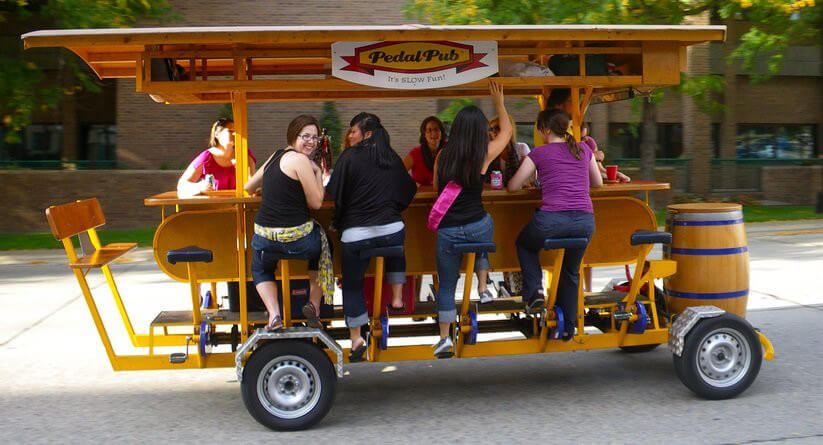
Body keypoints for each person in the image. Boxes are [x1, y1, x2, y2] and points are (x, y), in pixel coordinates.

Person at [326, 113, 417, 362]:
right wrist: (392, 208)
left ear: (367, 134)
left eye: (353, 131)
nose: (349, 135)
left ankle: (356, 338)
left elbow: (332, 192)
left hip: (357, 235)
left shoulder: (349, 157)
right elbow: (409, 190)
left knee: (353, 285)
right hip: (392, 232)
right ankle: (397, 298)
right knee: (397, 242)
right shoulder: (391, 156)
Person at [430, 81, 511, 358]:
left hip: (448, 232)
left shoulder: (442, 155)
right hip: (477, 227)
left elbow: (434, 189)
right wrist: (498, 103)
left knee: (447, 283)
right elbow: (508, 131)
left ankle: (444, 339)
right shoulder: (484, 155)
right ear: (479, 132)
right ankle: (483, 286)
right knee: (485, 225)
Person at [507, 109, 603, 341]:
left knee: (525, 244)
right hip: (584, 222)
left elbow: (513, 186)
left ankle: (535, 291)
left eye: (540, 129)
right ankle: (568, 328)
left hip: (550, 220)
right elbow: (597, 184)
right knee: (571, 271)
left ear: (546, 129)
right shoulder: (584, 149)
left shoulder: (538, 153)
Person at [244, 115, 332, 331]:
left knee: (260, 268)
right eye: (306, 136)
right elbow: (317, 203)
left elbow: (249, 186)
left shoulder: (276, 155)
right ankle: (314, 305)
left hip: (264, 240)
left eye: (315, 138)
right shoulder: (302, 161)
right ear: (294, 136)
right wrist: (318, 172)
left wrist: (275, 189)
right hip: (297, 243)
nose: (311, 142)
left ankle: (274, 316)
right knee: (324, 244)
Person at [546, 88, 630, 183]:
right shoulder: (549, 125)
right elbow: (563, 157)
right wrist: (592, 156)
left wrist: (613, 174)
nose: (575, 104)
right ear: (559, 104)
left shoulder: (566, 125)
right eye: (571, 100)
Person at [177, 118, 257, 197]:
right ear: (217, 134)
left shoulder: (245, 154)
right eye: (230, 131)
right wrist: (200, 187)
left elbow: (253, 184)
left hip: (241, 206)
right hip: (215, 207)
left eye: (237, 132)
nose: (235, 134)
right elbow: (182, 185)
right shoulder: (207, 157)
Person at [403, 116, 446, 186]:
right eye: (429, 130)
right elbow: (399, 174)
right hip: (421, 195)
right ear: (424, 135)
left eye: (436, 129)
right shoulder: (415, 154)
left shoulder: (450, 149)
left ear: (441, 132)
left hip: (446, 195)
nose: (434, 133)